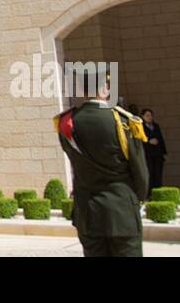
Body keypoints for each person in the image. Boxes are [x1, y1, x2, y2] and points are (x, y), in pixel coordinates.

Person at [56, 75, 150, 256]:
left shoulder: (66, 123)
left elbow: (73, 157)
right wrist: (136, 200)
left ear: (84, 91)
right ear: (104, 89)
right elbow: (140, 171)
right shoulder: (123, 121)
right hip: (122, 207)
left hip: (87, 210)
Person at [141, 107, 167, 190]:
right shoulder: (140, 127)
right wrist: (148, 141)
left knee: (158, 174)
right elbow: (139, 139)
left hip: (157, 154)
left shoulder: (156, 126)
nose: (150, 117)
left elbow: (161, 138)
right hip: (147, 154)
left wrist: (163, 152)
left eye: (151, 115)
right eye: (147, 115)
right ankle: (149, 193)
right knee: (150, 174)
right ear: (142, 116)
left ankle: (158, 191)